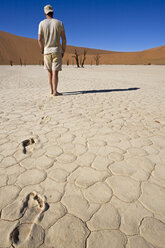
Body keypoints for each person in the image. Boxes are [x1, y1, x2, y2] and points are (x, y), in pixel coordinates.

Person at [38, 5, 66, 96]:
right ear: (53, 12)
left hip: (46, 51)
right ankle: (55, 91)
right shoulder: (59, 23)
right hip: (57, 50)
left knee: (49, 72)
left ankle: (51, 90)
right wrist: (63, 50)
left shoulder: (41, 23)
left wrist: (42, 49)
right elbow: (64, 39)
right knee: (55, 72)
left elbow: (39, 39)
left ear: (45, 13)